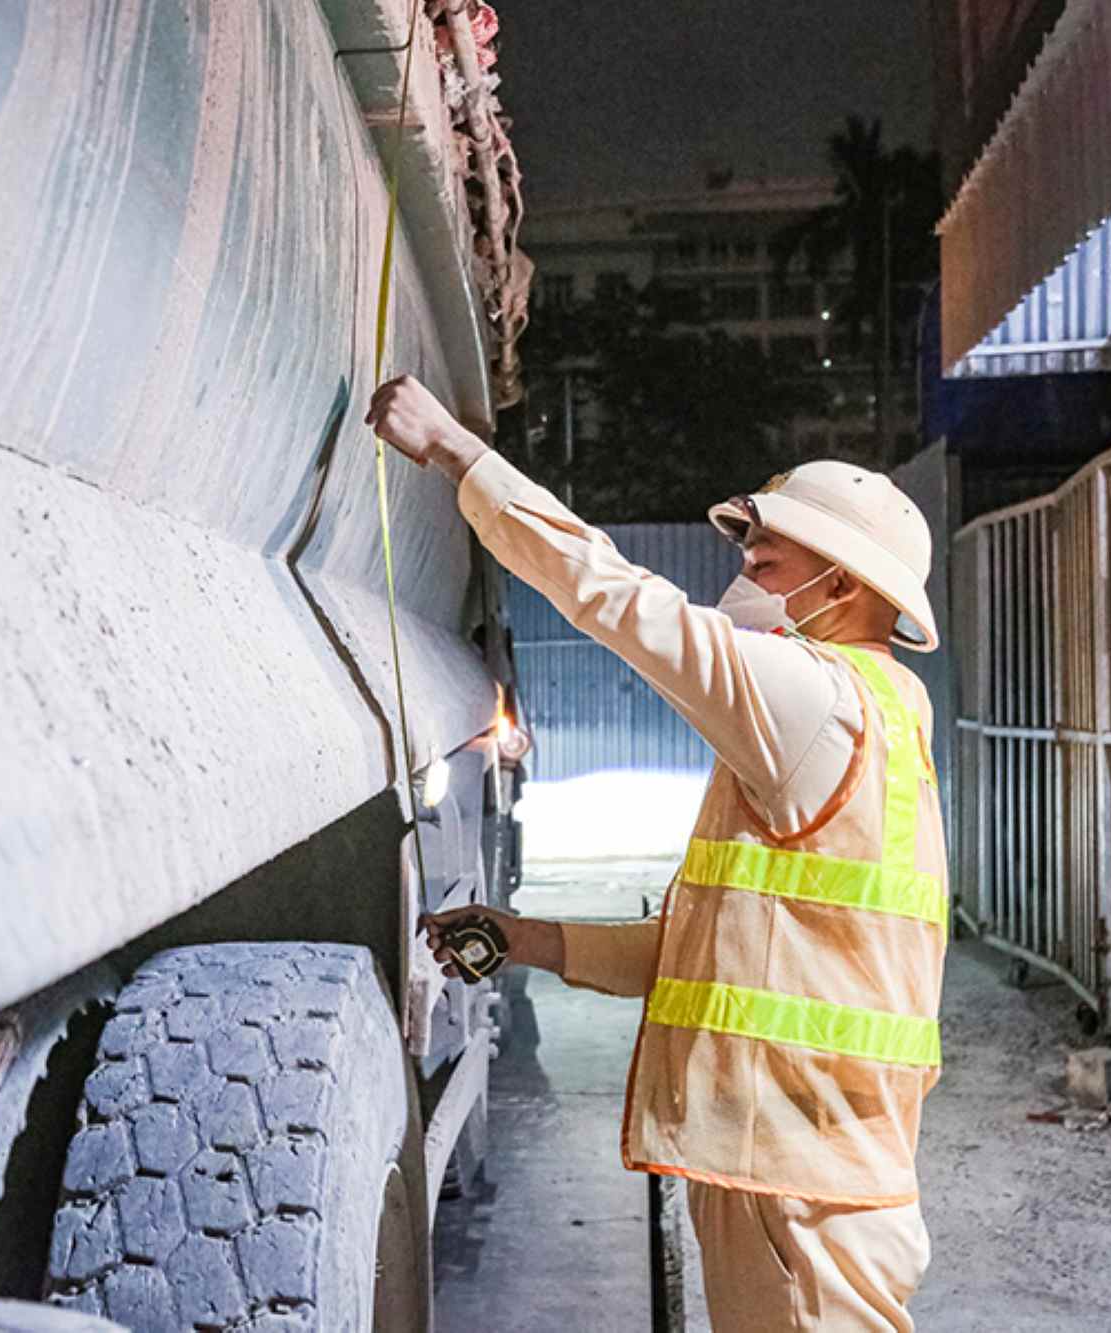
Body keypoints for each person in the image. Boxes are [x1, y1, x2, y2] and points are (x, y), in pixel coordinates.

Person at [368, 374, 947, 1332]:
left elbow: (616, 599)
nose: (746, 564)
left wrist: (458, 453)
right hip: (804, 1173)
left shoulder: (815, 699)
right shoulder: (877, 714)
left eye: (767, 554)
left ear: (842, 585)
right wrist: (525, 938)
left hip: (805, 1195)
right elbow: (717, 960)